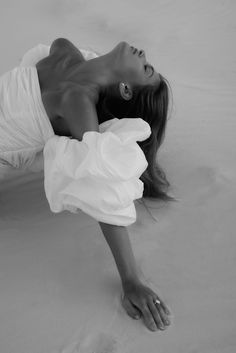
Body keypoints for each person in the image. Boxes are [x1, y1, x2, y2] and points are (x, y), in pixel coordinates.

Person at [0, 38, 175, 331]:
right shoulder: (64, 51)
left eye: (146, 68)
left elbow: (101, 189)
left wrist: (131, 280)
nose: (144, 54)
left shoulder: (77, 101)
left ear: (126, 88)